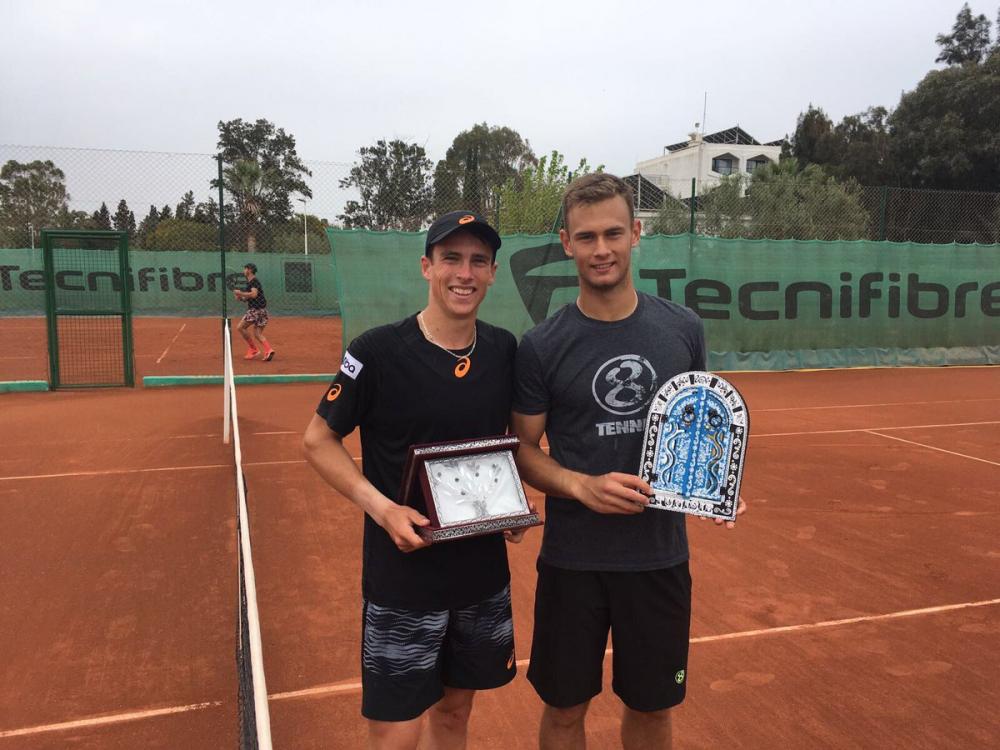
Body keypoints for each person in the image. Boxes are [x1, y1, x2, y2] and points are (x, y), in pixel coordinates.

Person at [510, 173, 746, 750]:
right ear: (566, 243)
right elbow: (521, 452)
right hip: (573, 563)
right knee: (564, 711)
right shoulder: (541, 346)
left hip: (658, 560)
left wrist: (715, 480)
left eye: (614, 233)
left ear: (636, 233)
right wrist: (580, 486)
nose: (602, 249)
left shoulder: (683, 328)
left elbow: (697, 424)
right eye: (586, 237)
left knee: (652, 709)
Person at [303, 210, 526, 750]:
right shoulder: (375, 352)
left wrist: (506, 503)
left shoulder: (503, 351)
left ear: (493, 272)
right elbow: (317, 440)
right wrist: (383, 510)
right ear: (427, 266)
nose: (464, 273)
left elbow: (508, 446)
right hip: (403, 579)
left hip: (479, 574)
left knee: (454, 713)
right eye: (451, 258)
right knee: (396, 732)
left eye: (478, 261)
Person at [233, 263, 275, 361]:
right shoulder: (250, 283)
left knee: (240, 327)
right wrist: (240, 298)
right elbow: (250, 298)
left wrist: (240, 293)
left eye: (245, 269)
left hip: (255, 310)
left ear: (249, 270)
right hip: (263, 311)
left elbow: (254, 295)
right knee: (257, 334)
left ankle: (253, 349)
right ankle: (269, 350)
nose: (244, 271)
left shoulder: (254, 281)